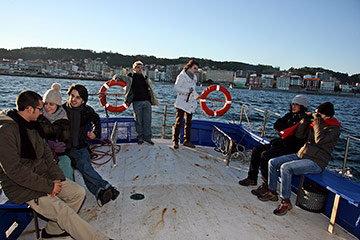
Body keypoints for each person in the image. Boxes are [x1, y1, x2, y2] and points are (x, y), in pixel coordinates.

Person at [0, 90, 112, 239]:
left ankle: (52, 231)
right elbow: (14, 171)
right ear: (29, 109)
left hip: (43, 176)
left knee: (78, 193)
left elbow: (47, 155)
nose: (42, 112)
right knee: (63, 212)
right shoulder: (6, 132)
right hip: (21, 186)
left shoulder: (33, 126)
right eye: (40, 108)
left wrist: (56, 178)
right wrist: (48, 186)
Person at [258, 102, 341, 216]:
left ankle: (285, 201)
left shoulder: (334, 129)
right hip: (302, 155)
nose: (316, 116)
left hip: (316, 161)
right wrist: (305, 120)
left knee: (286, 168)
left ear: (327, 116)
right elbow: (300, 135)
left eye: (319, 114)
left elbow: (319, 140)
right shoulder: (315, 125)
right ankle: (272, 191)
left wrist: (318, 123)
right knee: (273, 162)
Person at [239, 95, 310, 196]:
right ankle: (252, 178)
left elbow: (297, 135)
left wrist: (284, 129)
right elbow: (276, 124)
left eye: (297, 105)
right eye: (293, 104)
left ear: (302, 106)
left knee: (265, 155)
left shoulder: (304, 120)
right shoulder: (289, 116)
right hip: (280, 143)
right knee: (256, 149)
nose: (294, 106)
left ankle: (266, 185)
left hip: (290, 147)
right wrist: (286, 129)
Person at [63, 84, 119, 206]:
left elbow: (96, 119)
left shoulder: (87, 111)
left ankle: (99, 192)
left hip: (82, 145)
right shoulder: (62, 111)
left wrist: (95, 133)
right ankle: (107, 187)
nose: (74, 99)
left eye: (78, 97)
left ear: (83, 100)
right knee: (85, 166)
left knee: (85, 169)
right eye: (72, 96)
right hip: (67, 148)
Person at [113, 60, 159, 145]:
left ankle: (148, 138)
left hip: (147, 102)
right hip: (137, 102)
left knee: (147, 121)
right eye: (138, 67)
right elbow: (116, 75)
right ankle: (140, 138)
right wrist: (116, 78)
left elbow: (151, 91)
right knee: (138, 121)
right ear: (134, 69)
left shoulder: (145, 78)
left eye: (141, 68)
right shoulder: (129, 77)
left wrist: (154, 101)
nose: (140, 69)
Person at [38, 83, 74, 180]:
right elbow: (33, 137)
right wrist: (48, 144)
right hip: (40, 153)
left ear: (58, 105)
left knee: (65, 162)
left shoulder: (64, 120)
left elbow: (68, 141)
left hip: (57, 155)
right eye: (45, 103)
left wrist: (64, 147)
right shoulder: (38, 117)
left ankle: (70, 190)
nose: (47, 107)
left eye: (51, 104)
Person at [172, 59, 200, 149]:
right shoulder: (182, 76)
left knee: (188, 123)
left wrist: (197, 96)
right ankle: (175, 141)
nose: (196, 70)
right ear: (189, 67)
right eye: (194, 68)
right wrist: (187, 91)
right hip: (181, 102)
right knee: (179, 122)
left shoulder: (194, 77)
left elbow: (193, 89)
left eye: (197, 69)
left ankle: (186, 141)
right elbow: (176, 88)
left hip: (190, 103)